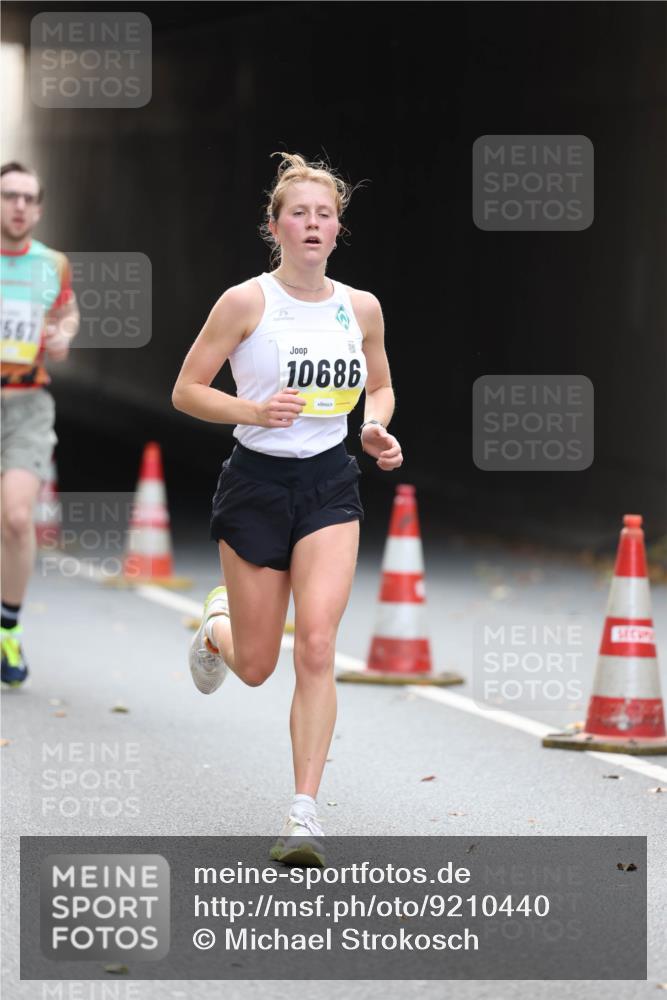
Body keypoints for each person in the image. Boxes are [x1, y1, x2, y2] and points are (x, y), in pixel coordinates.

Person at [172, 152, 402, 865]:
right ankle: (217, 630)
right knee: (256, 666)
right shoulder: (246, 302)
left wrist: (375, 427)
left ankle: (304, 814)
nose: (311, 224)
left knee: (318, 647)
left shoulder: (359, 307)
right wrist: (252, 410)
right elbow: (186, 390)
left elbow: (383, 385)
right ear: (274, 227)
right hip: (255, 485)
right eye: (297, 213)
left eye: (323, 214)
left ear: (338, 229)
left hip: (330, 485)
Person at [1, 162, 79, 686]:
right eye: (9, 196)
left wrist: (63, 335)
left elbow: (67, 313)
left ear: (40, 208)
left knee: (15, 518)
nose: (19, 206)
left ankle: (7, 630)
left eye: (28, 198)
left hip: (27, 404)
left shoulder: (53, 264)